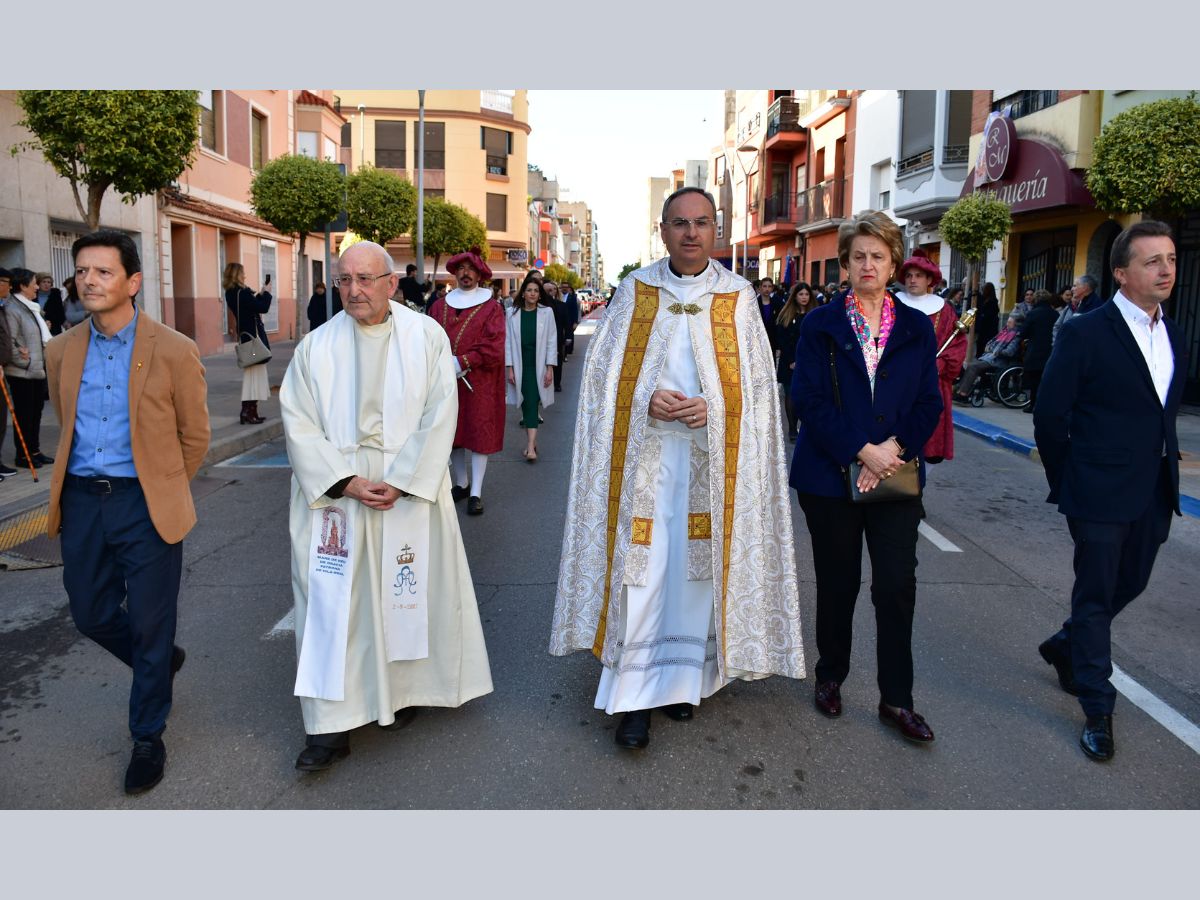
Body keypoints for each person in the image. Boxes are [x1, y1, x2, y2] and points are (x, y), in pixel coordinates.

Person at [551, 186, 804, 752]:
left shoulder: (738, 298)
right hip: (644, 465)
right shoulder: (636, 291)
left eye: (702, 223)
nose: (691, 232)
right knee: (643, 574)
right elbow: (600, 383)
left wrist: (714, 407)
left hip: (710, 466)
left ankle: (685, 681)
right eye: (679, 223)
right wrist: (643, 398)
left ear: (716, 230)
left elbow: (761, 393)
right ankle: (634, 698)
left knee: (695, 576)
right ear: (662, 231)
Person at [280, 240, 493, 772]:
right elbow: (298, 423)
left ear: (391, 283)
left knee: (406, 596)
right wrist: (345, 481)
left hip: (406, 493)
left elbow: (441, 413)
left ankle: (400, 694)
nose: (354, 290)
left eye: (366, 279)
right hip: (339, 498)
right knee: (333, 607)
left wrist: (402, 479)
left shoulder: (426, 337)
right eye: (345, 280)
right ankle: (330, 728)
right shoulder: (315, 347)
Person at [45, 230, 210, 794]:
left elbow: (196, 436)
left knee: (149, 621)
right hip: (83, 502)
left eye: (103, 272)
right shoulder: (61, 350)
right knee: (91, 614)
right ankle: (159, 660)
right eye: (83, 271)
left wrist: (162, 489)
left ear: (133, 282)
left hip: (145, 502)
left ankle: (147, 735)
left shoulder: (173, 349)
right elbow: (65, 423)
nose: (89, 280)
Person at [789, 210, 943, 744]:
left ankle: (897, 700)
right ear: (846, 263)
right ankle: (831, 674)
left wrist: (891, 451)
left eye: (879, 256)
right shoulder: (821, 324)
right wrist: (861, 451)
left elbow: (928, 402)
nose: (868, 264)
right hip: (830, 477)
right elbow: (805, 397)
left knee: (897, 587)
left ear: (894, 262)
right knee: (838, 582)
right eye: (859, 256)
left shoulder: (917, 327)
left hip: (896, 476)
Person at [1034, 221, 1183, 763]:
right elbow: (1051, 416)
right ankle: (1098, 706)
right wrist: (1069, 481)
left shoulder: (1173, 330)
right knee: (1095, 595)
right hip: (1096, 492)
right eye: (1152, 261)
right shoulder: (1085, 332)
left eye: (1169, 259)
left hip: (1153, 489)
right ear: (1121, 273)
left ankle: (1066, 644)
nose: (1166, 269)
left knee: (1131, 582)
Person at [428, 248, 506, 515]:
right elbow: (427, 339)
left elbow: (494, 346)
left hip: (480, 382)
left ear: (480, 274)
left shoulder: (492, 308)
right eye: (460, 269)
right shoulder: (439, 306)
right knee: (452, 432)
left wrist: (463, 362)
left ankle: (476, 491)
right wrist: (439, 363)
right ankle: (461, 482)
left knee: (478, 434)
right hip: (446, 381)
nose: (465, 274)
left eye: (470, 269)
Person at [895, 249, 965, 463]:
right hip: (896, 381)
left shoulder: (944, 311)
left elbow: (957, 345)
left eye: (918, 275)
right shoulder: (891, 304)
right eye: (908, 275)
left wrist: (937, 366)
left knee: (928, 444)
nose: (912, 280)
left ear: (929, 280)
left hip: (931, 382)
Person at [3, 268, 54, 469]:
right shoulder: (13, 309)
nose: (36, 286)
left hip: (36, 370)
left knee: (36, 413)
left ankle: (34, 450)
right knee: (24, 415)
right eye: (33, 283)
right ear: (23, 286)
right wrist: (25, 361)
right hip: (22, 372)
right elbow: (10, 341)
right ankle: (23, 455)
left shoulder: (30, 307)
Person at [505, 276, 557, 462]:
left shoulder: (547, 313)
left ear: (539, 294)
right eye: (529, 290)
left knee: (533, 402)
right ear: (523, 293)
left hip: (540, 364)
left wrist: (550, 368)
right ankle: (532, 443)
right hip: (521, 363)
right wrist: (510, 368)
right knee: (526, 402)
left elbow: (552, 341)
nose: (532, 293)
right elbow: (508, 343)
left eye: (536, 290)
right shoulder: (512, 313)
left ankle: (530, 447)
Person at [222, 263, 272, 425]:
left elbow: (249, 307)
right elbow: (262, 308)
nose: (244, 276)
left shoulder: (231, 293)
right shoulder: (242, 293)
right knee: (254, 377)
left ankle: (251, 411)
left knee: (253, 376)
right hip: (254, 338)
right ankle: (247, 411)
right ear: (237, 274)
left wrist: (259, 294)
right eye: (242, 273)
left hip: (246, 337)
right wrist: (267, 294)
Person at [774, 281, 815, 441]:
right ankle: (792, 429)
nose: (804, 297)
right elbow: (783, 339)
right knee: (791, 393)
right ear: (795, 296)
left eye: (806, 294)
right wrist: (792, 360)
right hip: (790, 361)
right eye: (801, 294)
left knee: (808, 395)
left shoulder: (815, 313)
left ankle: (806, 427)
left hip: (810, 362)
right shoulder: (786, 314)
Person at [953, 315, 1021, 402]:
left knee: (973, 367)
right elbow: (990, 342)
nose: (1007, 324)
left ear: (1016, 325)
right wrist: (991, 349)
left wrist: (997, 351)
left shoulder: (1016, 336)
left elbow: (1009, 352)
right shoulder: (1004, 332)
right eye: (1007, 322)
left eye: (1010, 322)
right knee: (969, 365)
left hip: (998, 361)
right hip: (990, 357)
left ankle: (963, 394)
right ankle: (960, 391)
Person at [1017, 288, 1057, 412]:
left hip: (1035, 350)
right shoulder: (1054, 313)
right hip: (1050, 350)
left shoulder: (1033, 313)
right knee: (1047, 380)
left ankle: (1033, 405)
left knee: (1034, 381)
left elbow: (1023, 331)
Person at [0, 269, 17, 481]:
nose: (10, 286)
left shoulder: (4, 307)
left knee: (1, 419)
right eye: (6, 282)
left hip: (2, 368)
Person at [542, 280, 569, 393]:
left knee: (557, 361)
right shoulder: (540, 305)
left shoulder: (561, 305)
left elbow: (566, 323)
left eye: (552, 289)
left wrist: (568, 337)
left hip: (557, 338)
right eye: (547, 290)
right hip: (541, 338)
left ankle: (557, 383)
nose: (550, 292)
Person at [973, 281, 1000, 358]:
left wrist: (982, 315)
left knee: (985, 343)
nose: (983, 290)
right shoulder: (985, 299)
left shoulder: (993, 301)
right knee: (981, 343)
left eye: (984, 289)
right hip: (985, 327)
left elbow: (989, 314)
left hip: (989, 327)